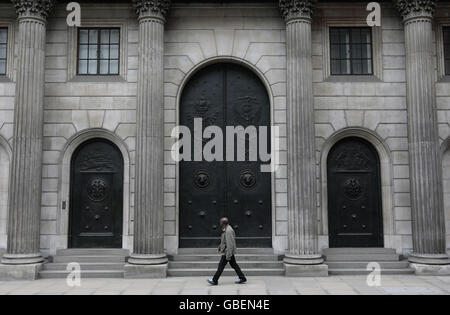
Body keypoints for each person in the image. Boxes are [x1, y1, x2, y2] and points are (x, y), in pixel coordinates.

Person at [207, 217, 247, 285]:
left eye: (220, 222)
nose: (219, 223)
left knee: (221, 266)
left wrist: (228, 255)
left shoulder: (228, 231)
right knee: (234, 265)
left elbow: (230, 244)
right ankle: (242, 278)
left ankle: (214, 280)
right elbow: (224, 241)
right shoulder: (226, 229)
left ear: (223, 223)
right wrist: (220, 247)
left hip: (227, 252)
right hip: (228, 251)